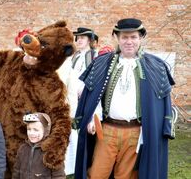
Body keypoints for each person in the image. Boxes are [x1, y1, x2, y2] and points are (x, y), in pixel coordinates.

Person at [74, 18, 175, 179]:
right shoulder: (102, 63)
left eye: (133, 37)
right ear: (117, 38)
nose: (129, 42)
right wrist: (94, 118)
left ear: (141, 38)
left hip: (135, 133)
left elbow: (162, 102)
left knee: (126, 176)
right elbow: (94, 95)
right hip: (106, 132)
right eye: (124, 37)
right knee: (96, 174)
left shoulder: (156, 66)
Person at [57, 27, 100, 176]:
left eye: (83, 37)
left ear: (90, 40)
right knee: (74, 132)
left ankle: (88, 166)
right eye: (78, 37)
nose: (79, 40)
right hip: (73, 99)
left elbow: (96, 78)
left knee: (89, 132)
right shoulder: (73, 57)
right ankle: (73, 164)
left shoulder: (95, 56)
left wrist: (86, 89)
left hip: (89, 98)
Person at [12, 112, 65, 179]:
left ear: (45, 131)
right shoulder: (22, 149)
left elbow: (59, 176)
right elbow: (16, 172)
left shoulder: (52, 151)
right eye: (29, 129)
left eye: (36, 130)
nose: (31, 133)